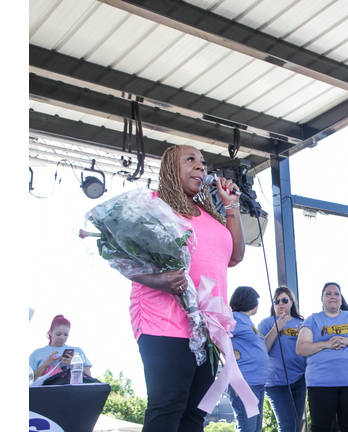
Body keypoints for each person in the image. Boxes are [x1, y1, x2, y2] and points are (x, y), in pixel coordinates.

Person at [128, 144, 245, 432]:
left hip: (207, 325)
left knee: (195, 414)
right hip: (164, 320)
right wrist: (159, 281)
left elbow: (236, 255)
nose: (200, 167)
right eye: (190, 160)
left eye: (203, 163)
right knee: (168, 406)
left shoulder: (209, 214)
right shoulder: (153, 204)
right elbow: (122, 253)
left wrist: (230, 205)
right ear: (170, 168)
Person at [296, 282, 348, 432]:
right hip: (321, 383)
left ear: (341, 299)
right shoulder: (312, 320)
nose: (333, 296)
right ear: (322, 298)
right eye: (328, 293)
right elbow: (301, 348)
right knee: (321, 428)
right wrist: (326, 344)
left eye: (336, 294)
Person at [258, 287, 307, 432]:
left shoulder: (302, 323)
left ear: (291, 302)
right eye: (276, 301)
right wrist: (276, 328)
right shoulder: (266, 323)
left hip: (300, 380)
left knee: (297, 426)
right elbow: (262, 350)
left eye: (284, 300)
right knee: (287, 426)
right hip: (276, 382)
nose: (280, 304)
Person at [228, 286, 270, 432]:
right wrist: (228, 353)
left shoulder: (246, 320)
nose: (258, 303)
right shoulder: (234, 319)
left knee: (255, 428)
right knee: (248, 428)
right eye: (256, 300)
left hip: (257, 383)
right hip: (245, 383)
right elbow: (215, 336)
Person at [29, 315, 92, 380]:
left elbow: (89, 375)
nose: (62, 338)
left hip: (71, 389)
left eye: (66, 334)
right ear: (50, 332)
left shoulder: (77, 351)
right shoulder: (37, 353)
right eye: (58, 334)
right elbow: (30, 380)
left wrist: (73, 364)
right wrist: (45, 364)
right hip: (46, 389)